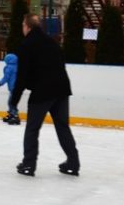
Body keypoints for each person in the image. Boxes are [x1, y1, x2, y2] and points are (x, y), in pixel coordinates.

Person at [10, 14, 79, 177]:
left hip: (42, 92)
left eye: (22, 25)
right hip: (61, 89)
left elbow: (22, 75)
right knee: (63, 127)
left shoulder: (27, 44)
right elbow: (61, 64)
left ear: (27, 26)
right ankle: (73, 162)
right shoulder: (52, 41)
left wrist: (14, 100)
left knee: (32, 129)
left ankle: (28, 164)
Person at [0, 53, 19, 125]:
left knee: (11, 102)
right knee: (12, 101)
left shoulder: (9, 67)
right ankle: (12, 114)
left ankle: (15, 116)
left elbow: (6, 77)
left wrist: (0, 84)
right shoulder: (17, 66)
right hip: (17, 87)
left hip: (13, 87)